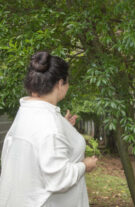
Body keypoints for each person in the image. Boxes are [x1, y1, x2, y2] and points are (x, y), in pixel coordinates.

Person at [0, 51, 98, 207]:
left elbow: (39, 141)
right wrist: (85, 166)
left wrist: (63, 126)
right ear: (60, 83)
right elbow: (59, 179)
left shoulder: (27, 111)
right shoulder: (49, 126)